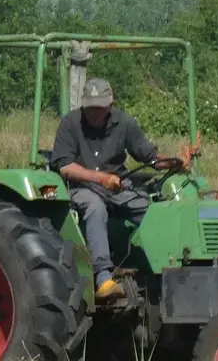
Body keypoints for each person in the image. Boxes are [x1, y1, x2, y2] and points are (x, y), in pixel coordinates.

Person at [49, 77, 195, 300]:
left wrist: (176, 162)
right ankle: (103, 278)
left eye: (99, 109)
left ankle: (174, 267)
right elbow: (65, 167)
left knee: (153, 211)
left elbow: (151, 158)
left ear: (111, 105)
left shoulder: (125, 124)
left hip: (117, 187)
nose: (94, 114)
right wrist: (101, 178)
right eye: (90, 109)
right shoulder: (71, 123)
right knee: (95, 207)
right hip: (81, 187)